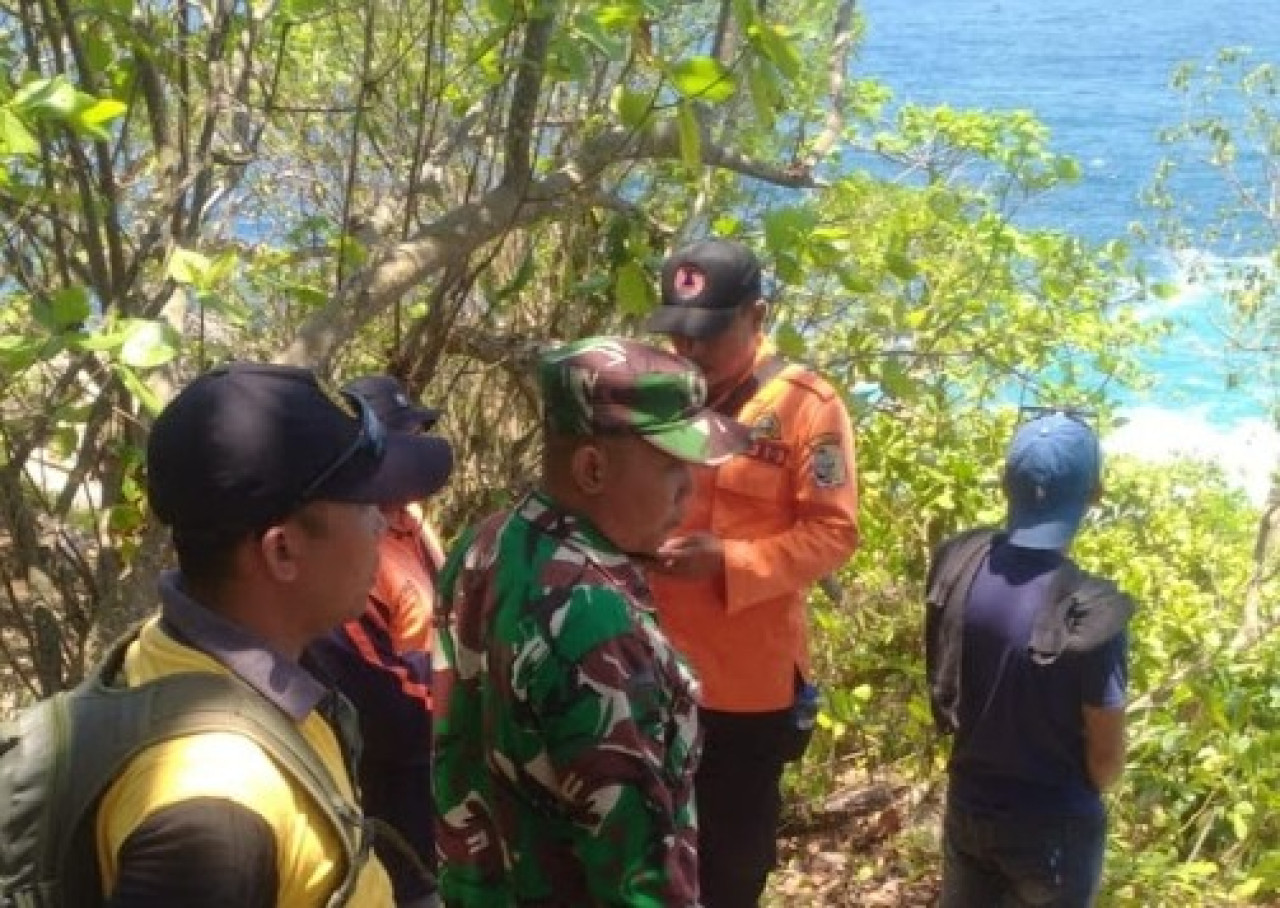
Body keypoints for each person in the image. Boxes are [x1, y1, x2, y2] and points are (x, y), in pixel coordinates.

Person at [96, 362, 452, 906]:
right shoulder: (213, 811)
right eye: (365, 507)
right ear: (281, 550)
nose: (384, 527)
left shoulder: (179, 652)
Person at [431, 336, 750, 906]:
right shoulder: (594, 618)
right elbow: (636, 874)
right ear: (592, 467)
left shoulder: (486, 542)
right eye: (672, 465)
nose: (689, 489)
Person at [643, 238, 860, 908]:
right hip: (650, 671)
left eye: (708, 336)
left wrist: (730, 562)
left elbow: (833, 532)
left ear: (757, 315)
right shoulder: (661, 393)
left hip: (744, 691)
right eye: (680, 335)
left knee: (729, 873)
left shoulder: (806, 406)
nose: (692, 353)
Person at [924, 412, 1131, 908]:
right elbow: (1105, 759)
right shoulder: (1089, 611)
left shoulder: (960, 562)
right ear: (1095, 494)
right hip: (1052, 826)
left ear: (1004, 485)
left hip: (969, 803)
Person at [307, 374, 453, 907]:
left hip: (442, 774)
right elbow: (386, 709)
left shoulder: (411, 522)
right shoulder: (348, 558)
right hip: (394, 788)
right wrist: (476, 689)